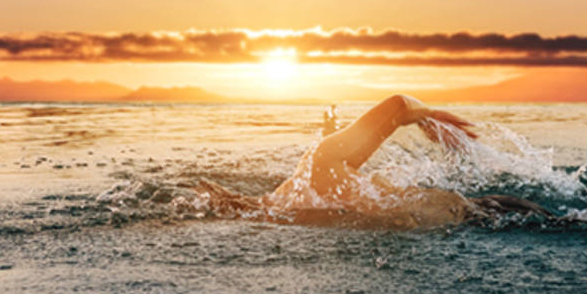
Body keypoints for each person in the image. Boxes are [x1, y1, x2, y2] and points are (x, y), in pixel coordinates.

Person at [196, 94, 551, 229]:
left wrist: (431, 118)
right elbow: (398, 105)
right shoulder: (315, 172)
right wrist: (431, 118)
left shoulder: (298, 205)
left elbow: (395, 106)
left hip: (462, 217)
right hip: (468, 214)